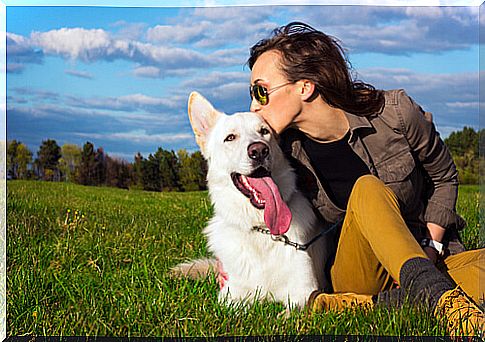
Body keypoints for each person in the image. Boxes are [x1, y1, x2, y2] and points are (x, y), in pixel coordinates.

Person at [246, 21, 484, 336]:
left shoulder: (395, 113)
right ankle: (442, 301)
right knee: (368, 189)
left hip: (424, 257)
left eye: (261, 91)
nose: (253, 106)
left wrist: (430, 247)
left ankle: (377, 302)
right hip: (358, 269)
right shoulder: (281, 155)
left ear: (305, 87)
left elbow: (443, 176)